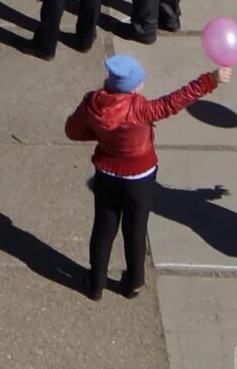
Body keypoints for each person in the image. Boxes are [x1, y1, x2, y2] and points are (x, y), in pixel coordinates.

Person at [65, 52, 225, 297]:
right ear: (130, 87)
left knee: (103, 229)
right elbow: (176, 100)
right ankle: (134, 282)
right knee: (135, 230)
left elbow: (72, 131)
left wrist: (101, 136)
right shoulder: (141, 109)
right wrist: (210, 80)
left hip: (106, 174)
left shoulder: (92, 103)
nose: (143, 84)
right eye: (140, 81)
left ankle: (95, 284)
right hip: (140, 177)